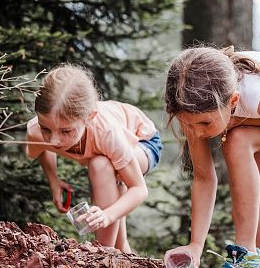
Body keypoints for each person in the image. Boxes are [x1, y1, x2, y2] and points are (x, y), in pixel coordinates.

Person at [162, 47, 260, 268]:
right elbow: (204, 178)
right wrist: (196, 244)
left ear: (234, 101)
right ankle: (250, 253)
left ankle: (245, 255)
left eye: (205, 123)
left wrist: (237, 122)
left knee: (237, 140)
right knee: (254, 223)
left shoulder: (258, 97)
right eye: (188, 124)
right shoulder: (191, 108)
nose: (197, 133)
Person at [26, 64, 163, 253]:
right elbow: (43, 149)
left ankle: (102, 252)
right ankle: (120, 251)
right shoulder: (36, 130)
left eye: (66, 131)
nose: (54, 140)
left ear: (90, 117)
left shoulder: (106, 132)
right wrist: (54, 181)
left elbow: (139, 189)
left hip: (142, 142)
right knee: (121, 246)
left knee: (101, 165)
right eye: (46, 129)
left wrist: (107, 215)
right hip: (114, 157)